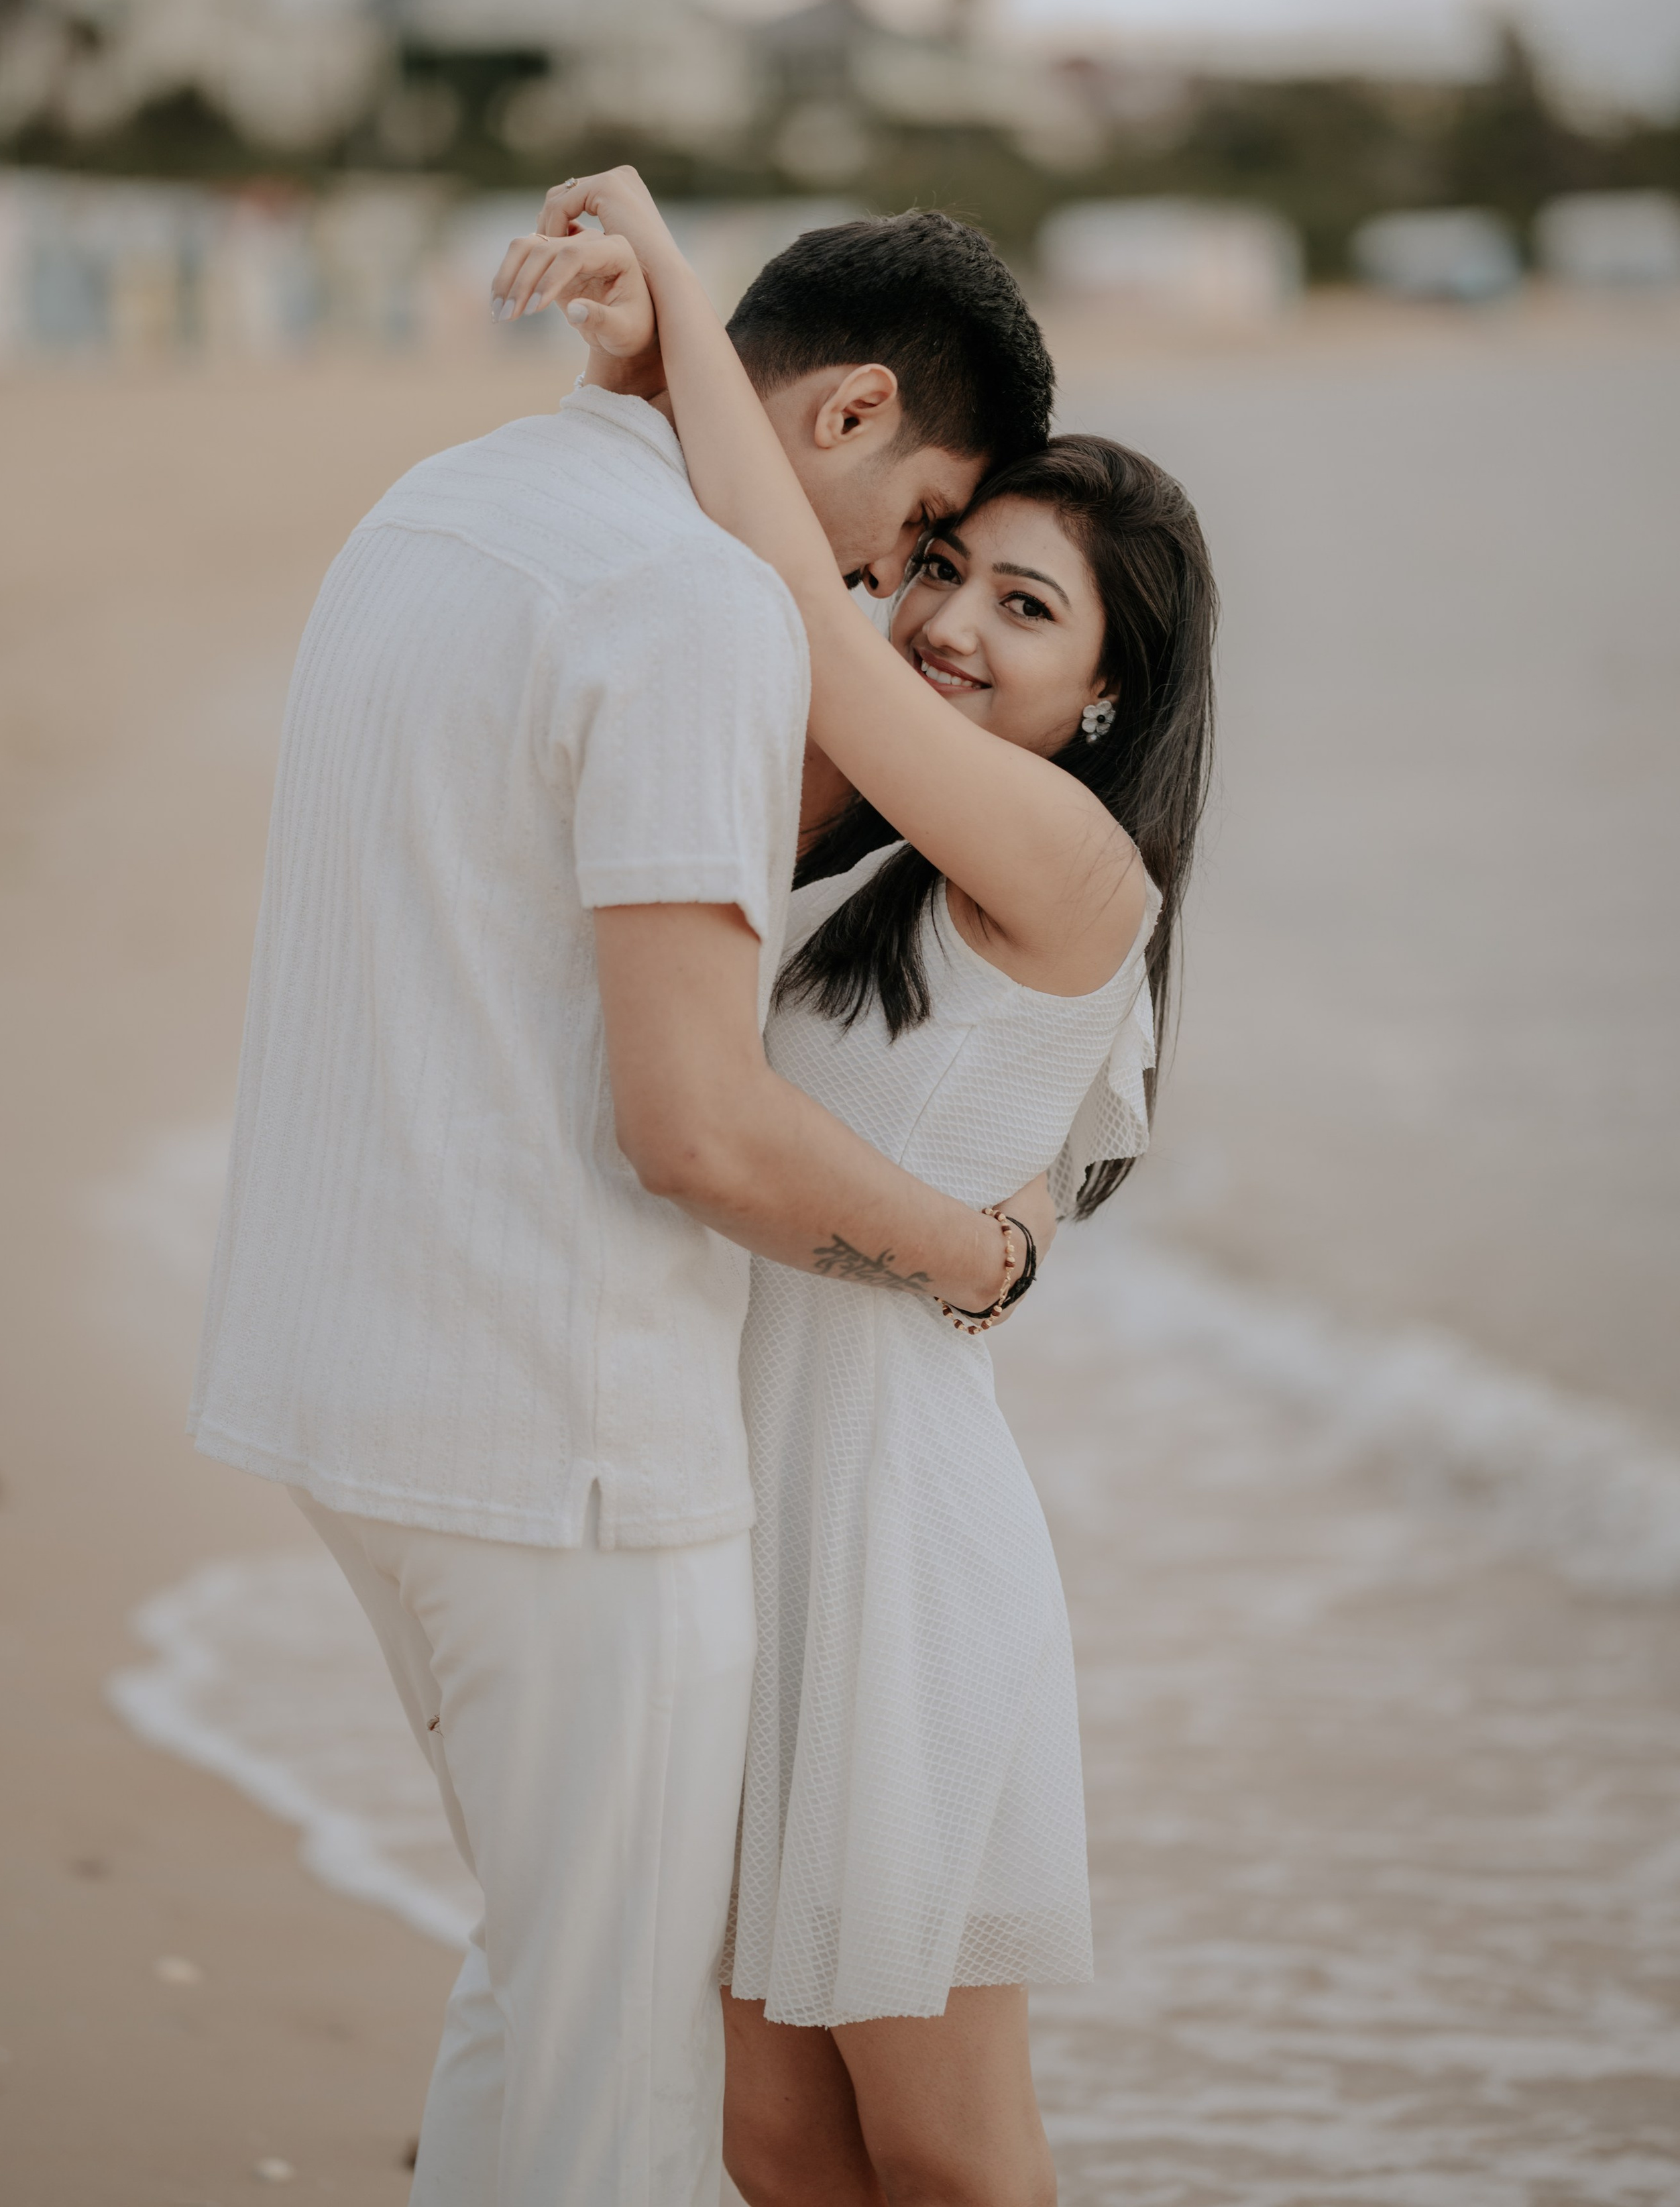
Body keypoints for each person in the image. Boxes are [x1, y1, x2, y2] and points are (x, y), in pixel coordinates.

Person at [186, 207, 1060, 2207]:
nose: (877, 587)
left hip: (338, 1388)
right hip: (553, 1446)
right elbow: (698, 1131)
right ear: (846, 407)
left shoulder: (438, 507)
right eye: (909, 524)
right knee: (623, 2093)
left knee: (545, 1993)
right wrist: (978, 1259)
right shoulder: (691, 604)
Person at [493, 172, 1217, 2207]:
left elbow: (794, 610)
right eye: (949, 569)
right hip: (735, 1514)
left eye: (1022, 605)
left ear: (1105, 705)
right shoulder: (872, 870)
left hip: (890, 1546)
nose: (947, 622)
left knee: (954, 2159)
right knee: (780, 2141)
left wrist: (663, 296)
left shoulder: (1081, 875)